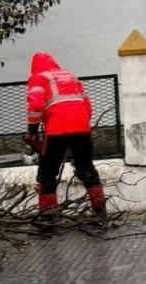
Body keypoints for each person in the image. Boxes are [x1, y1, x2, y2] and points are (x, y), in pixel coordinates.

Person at [25, 52, 106, 223]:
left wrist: (32, 129)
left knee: (47, 173)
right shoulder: (71, 76)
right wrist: (81, 123)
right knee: (86, 168)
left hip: (56, 130)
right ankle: (100, 211)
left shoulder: (39, 78)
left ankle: (48, 216)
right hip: (82, 127)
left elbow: (36, 104)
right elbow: (87, 105)